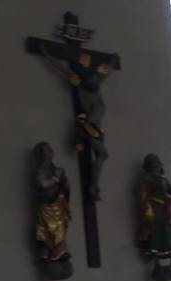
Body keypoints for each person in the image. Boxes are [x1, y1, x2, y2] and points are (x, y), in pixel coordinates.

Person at [40, 46, 110, 201]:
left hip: (98, 127)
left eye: (95, 81)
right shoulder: (80, 86)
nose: (93, 83)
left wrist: (113, 60)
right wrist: (46, 53)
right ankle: (93, 186)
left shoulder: (97, 85)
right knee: (103, 155)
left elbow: (108, 69)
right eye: (90, 81)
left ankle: (93, 185)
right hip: (90, 126)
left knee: (102, 156)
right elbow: (60, 68)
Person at [138, 154, 171, 266]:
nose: (157, 166)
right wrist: (145, 206)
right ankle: (156, 260)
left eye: (157, 164)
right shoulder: (147, 178)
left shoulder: (163, 179)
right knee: (154, 232)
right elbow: (142, 193)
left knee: (168, 232)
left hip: (163, 209)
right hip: (152, 209)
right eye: (154, 164)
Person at [34, 142, 71, 262]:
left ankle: (59, 251)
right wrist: (56, 177)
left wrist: (64, 182)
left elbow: (66, 186)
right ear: (40, 154)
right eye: (46, 149)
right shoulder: (40, 170)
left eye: (50, 149)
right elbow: (43, 184)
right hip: (46, 204)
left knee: (59, 227)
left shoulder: (57, 169)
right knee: (46, 228)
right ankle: (47, 250)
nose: (50, 151)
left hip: (58, 203)